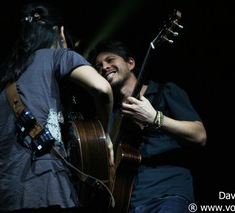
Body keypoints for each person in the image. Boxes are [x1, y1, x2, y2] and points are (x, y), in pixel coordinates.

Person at [0, 2, 114, 213]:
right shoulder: (59, 56)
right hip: (47, 187)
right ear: (60, 32)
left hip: (4, 193)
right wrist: (105, 135)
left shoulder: (2, 83)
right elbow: (102, 89)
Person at [88, 39, 207, 213]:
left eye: (110, 60)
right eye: (99, 66)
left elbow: (200, 135)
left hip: (168, 194)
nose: (104, 67)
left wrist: (155, 118)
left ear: (130, 63)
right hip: (128, 201)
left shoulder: (164, 91)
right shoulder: (110, 115)